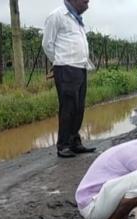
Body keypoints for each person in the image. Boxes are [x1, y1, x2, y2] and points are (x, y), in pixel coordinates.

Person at [42, 0, 96, 158]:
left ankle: (74, 142)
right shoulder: (57, 16)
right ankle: (63, 145)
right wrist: (59, 62)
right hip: (66, 68)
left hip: (80, 67)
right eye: (85, 1)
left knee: (79, 107)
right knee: (68, 107)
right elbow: (47, 44)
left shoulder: (77, 19)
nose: (87, 2)